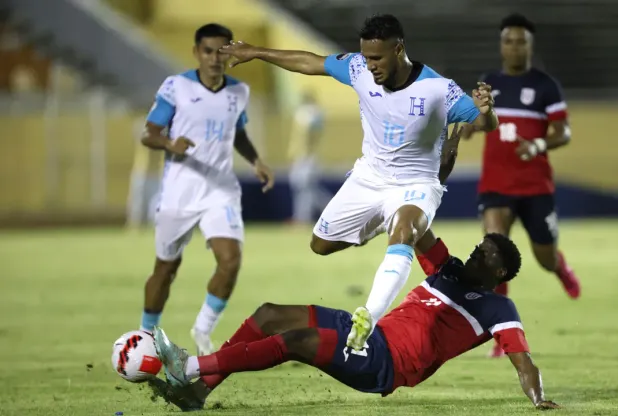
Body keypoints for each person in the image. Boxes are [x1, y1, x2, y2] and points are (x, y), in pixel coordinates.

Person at [219, 14, 498, 351]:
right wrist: (256, 51)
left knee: (405, 228)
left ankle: (368, 316)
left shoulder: (438, 89)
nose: (371, 66)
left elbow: (483, 122)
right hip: (369, 178)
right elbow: (310, 62)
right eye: (366, 57)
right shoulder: (357, 70)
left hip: (417, 183)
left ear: (398, 50)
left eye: (377, 58)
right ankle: (386, 223)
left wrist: (487, 110)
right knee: (320, 244)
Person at [151, 233, 560, 411]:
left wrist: (538, 399)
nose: (474, 254)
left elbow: (523, 362)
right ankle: (200, 392)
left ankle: (187, 367)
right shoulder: (446, 269)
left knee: (295, 341)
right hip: (367, 330)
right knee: (268, 315)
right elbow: (419, 225)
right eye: (477, 248)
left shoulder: (497, 309)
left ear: (500, 273)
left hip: (385, 363)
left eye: (485, 255)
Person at [138, 23, 275, 355]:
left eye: (222, 51)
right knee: (166, 268)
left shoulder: (238, 92)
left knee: (230, 260)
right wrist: (171, 143)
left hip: (220, 189)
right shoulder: (176, 87)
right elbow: (148, 133)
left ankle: (202, 331)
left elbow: (237, 133)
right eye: (208, 51)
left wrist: (256, 160)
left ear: (230, 53)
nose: (215, 58)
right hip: (180, 191)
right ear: (196, 53)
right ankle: (145, 335)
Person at [462, 13, 580, 358]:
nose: (514, 47)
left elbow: (564, 131)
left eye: (521, 41)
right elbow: (480, 120)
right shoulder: (489, 82)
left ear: (530, 45)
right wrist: (472, 122)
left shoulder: (545, 86)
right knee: (493, 250)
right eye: (508, 41)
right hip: (496, 184)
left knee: (543, 256)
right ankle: (502, 330)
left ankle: (559, 268)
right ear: (501, 45)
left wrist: (539, 144)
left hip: (535, 186)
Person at [287, 90, 331, 225]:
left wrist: (300, 154)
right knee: (307, 188)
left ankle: (302, 218)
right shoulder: (311, 114)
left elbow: (307, 136)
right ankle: (330, 210)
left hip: (307, 156)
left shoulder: (310, 114)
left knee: (305, 188)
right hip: (304, 155)